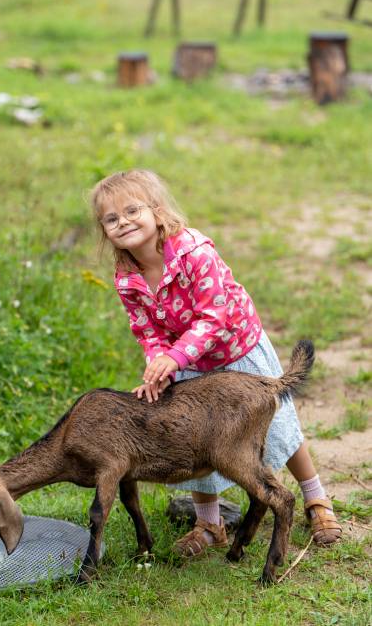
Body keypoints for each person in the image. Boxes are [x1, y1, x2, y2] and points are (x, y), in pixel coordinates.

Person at [90, 168, 342, 556]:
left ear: (157, 211)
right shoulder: (127, 277)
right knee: (197, 438)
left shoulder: (193, 252)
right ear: (104, 230)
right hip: (188, 364)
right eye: (111, 218)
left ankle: (315, 498)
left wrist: (174, 356)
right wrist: (158, 362)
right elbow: (145, 328)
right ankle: (209, 522)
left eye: (131, 210)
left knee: (277, 428)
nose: (122, 222)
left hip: (237, 351)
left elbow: (215, 315)